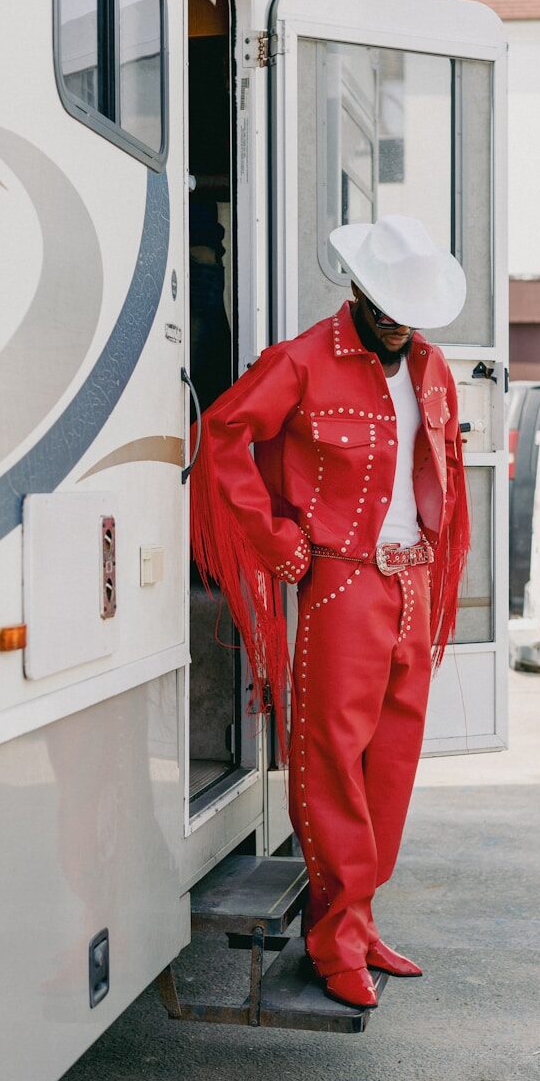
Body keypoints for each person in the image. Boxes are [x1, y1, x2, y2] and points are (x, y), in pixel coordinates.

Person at [189, 214, 470, 1010]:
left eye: (408, 310)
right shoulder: (302, 361)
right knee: (332, 764)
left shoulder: (434, 368)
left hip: (412, 586)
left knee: (392, 765)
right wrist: (279, 541)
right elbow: (222, 438)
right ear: (357, 290)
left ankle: (360, 919)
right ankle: (335, 938)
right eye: (386, 306)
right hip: (343, 586)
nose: (397, 323)